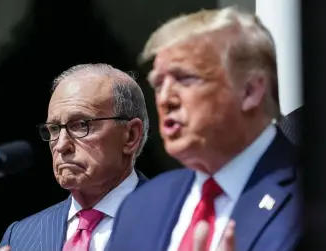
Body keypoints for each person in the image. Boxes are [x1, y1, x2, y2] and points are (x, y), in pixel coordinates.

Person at [107, 6, 301, 251]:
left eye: (185, 78)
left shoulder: (310, 198)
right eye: (158, 83)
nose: (165, 98)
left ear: (250, 91)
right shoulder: (140, 206)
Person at [0, 63, 149, 251]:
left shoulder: (174, 219)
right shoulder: (21, 235)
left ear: (130, 136)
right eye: (54, 129)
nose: (61, 145)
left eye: (81, 125)